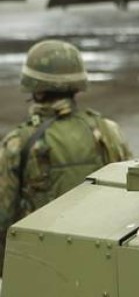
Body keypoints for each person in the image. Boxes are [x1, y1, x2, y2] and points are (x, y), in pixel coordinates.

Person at [0, 40, 131, 265]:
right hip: (102, 258)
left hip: (41, 262)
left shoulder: (18, 143)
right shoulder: (107, 131)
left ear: (34, 87)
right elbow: (132, 195)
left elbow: (4, 215)